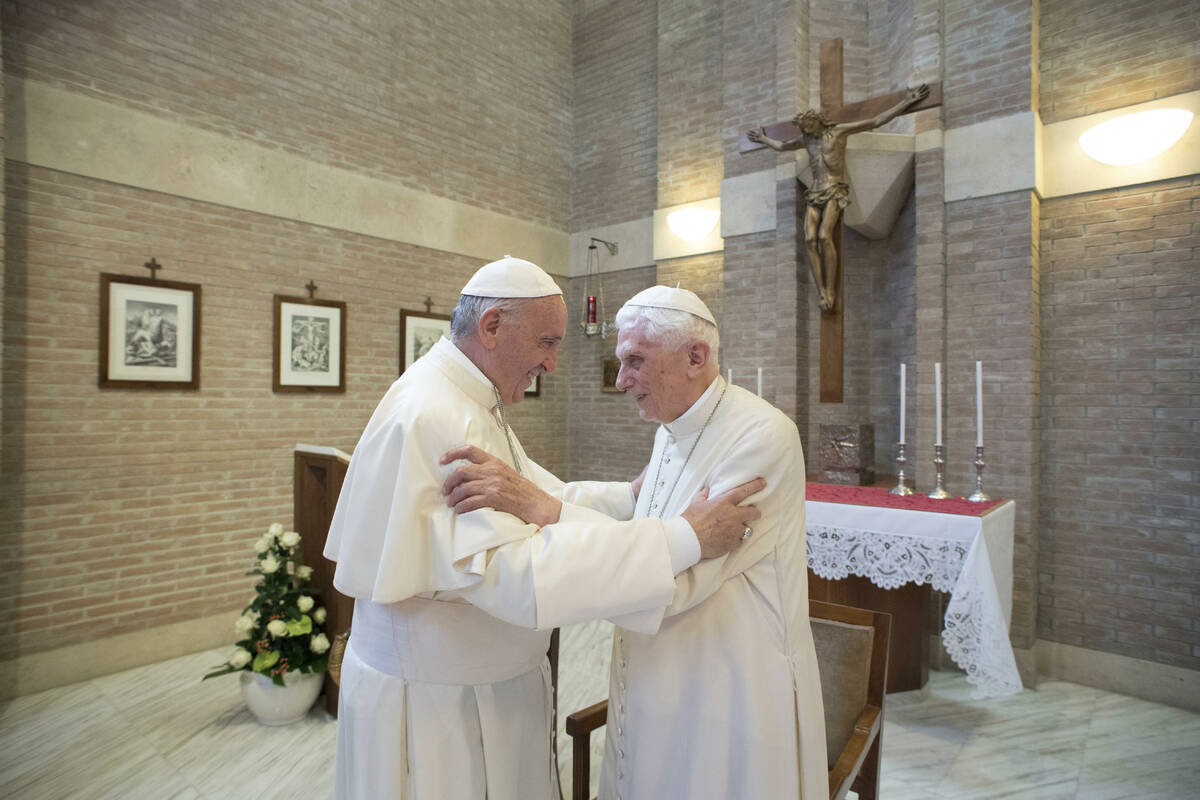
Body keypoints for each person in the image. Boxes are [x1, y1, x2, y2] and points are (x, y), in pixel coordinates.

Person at [323, 257, 764, 800]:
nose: (553, 364)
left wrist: (626, 499)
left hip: (474, 684)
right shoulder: (439, 415)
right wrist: (684, 539)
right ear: (491, 328)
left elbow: (532, 496)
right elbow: (517, 575)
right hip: (441, 704)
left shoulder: (460, 397)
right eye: (547, 343)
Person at [443, 286, 828, 799]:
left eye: (635, 361)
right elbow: (647, 516)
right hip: (658, 672)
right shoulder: (672, 424)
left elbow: (680, 579)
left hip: (729, 684)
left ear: (696, 356)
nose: (622, 381)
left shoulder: (760, 437)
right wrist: (538, 498)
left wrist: (545, 510)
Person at [747, 83, 929, 312]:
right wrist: (764, 139)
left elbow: (875, 121)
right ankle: (822, 291)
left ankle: (830, 291)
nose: (807, 131)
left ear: (818, 121)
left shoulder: (839, 132)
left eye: (810, 125)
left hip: (834, 189)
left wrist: (906, 102)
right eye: (804, 128)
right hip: (814, 192)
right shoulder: (807, 141)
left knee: (824, 236)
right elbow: (783, 146)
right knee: (809, 239)